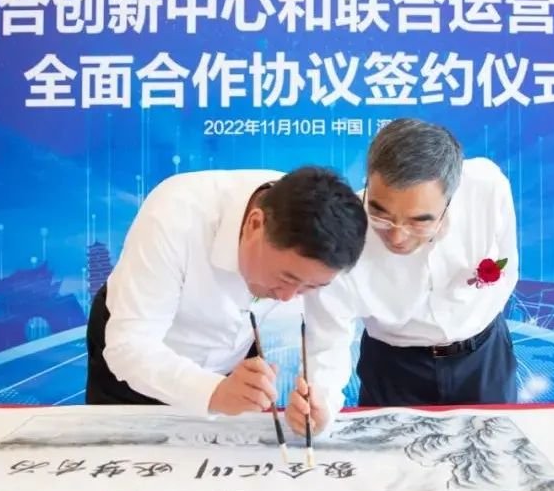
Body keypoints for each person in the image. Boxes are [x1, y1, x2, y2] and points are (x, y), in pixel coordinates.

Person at [286, 119, 520, 436]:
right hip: (394, 368)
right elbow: (326, 341)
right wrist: (319, 406)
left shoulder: (487, 188)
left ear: (450, 198)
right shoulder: (342, 236)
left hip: (484, 357)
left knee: (496, 450)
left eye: (417, 222)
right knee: (388, 459)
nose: (397, 237)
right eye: (380, 214)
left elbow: (506, 263)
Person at [85, 166, 368, 418]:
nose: (287, 298)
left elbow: (329, 337)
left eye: (310, 288)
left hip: (233, 363)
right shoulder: (175, 214)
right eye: (286, 278)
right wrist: (211, 391)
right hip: (137, 366)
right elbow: (130, 346)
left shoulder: (331, 241)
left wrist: (322, 402)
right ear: (254, 224)